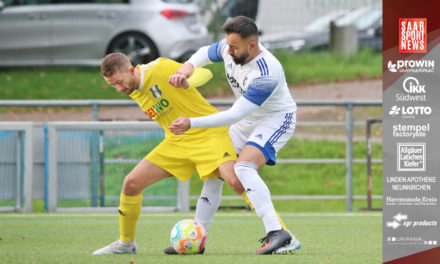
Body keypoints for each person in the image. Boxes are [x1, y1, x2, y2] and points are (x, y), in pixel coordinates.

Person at [169, 16, 301, 255]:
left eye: (233, 47)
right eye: (227, 45)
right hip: (246, 119)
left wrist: (191, 123)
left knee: (244, 168)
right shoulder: (229, 47)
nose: (227, 50)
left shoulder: (266, 72)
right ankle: (197, 238)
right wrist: (188, 67)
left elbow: (232, 115)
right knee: (215, 170)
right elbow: (206, 52)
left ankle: (279, 233)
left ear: (252, 45)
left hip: (275, 119)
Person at [93, 53, 245, 255]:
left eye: (119, 82)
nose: (119, 89)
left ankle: (276, 230)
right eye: (113, 85)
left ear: (132, 70)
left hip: (208, 133)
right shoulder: (133, 89)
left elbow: (204, 73)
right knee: (131, 184)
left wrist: (186, 80)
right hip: (177, 142)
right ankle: (126, 244)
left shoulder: (160, 68)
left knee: (233, 180)